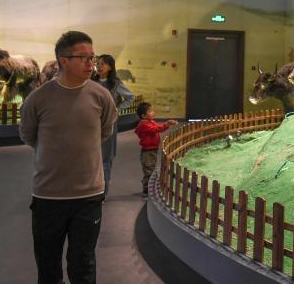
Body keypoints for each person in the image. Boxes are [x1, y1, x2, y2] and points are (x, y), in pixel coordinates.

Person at [19, 31, 118, 284]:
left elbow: (105, 130)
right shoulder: (38, 99)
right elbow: (28, 135)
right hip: (48, 196)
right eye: (84, 57)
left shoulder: (101, 96)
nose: (91, 63)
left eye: (92, 57)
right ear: (63, 60)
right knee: (48, 267)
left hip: (88, 196)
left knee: (83, 265)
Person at [93, 54, 135, 198]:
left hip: (108, 124)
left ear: (110, 67)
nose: (99, 66)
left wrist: (117, 109)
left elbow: (130, 97)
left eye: (103, 64)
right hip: (91, 124)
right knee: (91, 157)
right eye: (98, 63)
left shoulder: (115, 83)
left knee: (106, 158)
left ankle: (103, 192)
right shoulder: (91, 81)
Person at [135, 101, 178, 196]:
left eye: (152, 110)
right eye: (150, 111)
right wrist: (167, 124)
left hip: (152, 150)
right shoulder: (144, 125)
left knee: (151, 167)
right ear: (143, 116)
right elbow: (156, 129)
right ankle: (147, 189)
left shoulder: (151, 122)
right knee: (149, 169)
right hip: (147, 151)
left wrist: (167, 123)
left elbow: (158, 127)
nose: (153, 112)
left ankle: (148, 187)